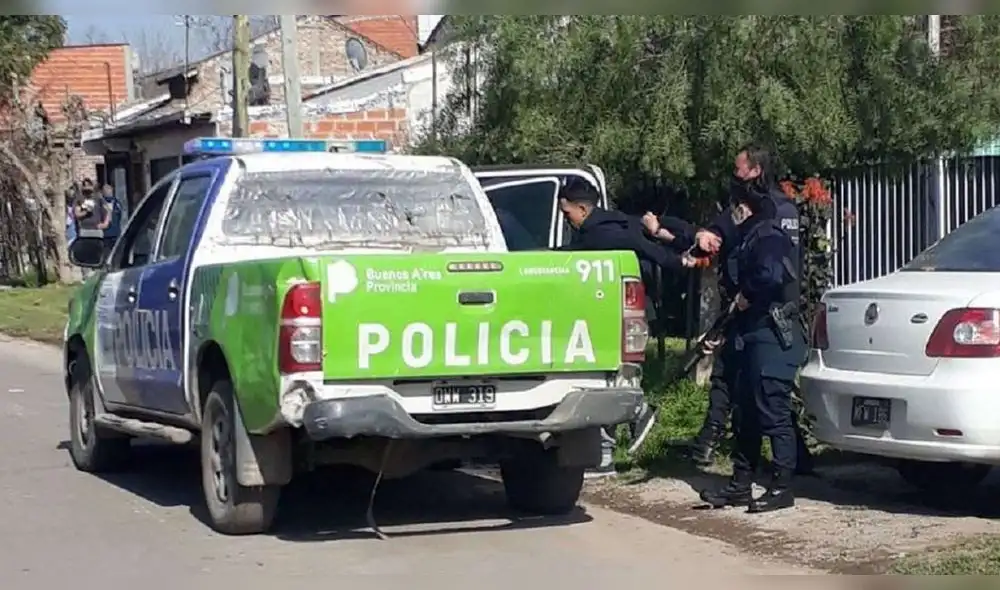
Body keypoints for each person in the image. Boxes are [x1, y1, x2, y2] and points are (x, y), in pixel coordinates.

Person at [687, 144, 814, 475]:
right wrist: (706, 234)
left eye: (739, 168)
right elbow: (724, 227)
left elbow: (779, 271)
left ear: (755, 170)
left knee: (764, 386)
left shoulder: (778, 210)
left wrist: (750, 295)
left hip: (767, 311)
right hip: (741, 306)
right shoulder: (746, 207)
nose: (734, 174)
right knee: (740, 381)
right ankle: (722, 451)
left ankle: (787, 466)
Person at [558, 179, 686, 473]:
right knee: (608, 378)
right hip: (627, 318)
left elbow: (642, 247)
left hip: (616, 318)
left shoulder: (600, 234)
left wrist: (676, 261)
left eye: (568, 214)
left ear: (582, 208)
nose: (567, 220)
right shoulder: (615, 222)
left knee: (608, 379)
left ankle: (629, 424)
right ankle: (606, 452)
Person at [100, 183, 124, 257]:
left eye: (110, 191)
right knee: (106, 255)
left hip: (115, 233)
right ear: (103, 192)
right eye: (106, 191)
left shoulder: (116, 203)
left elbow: (120, 216)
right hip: (105, 235)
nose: (109, 193)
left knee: (116, 255)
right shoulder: (100, 203)